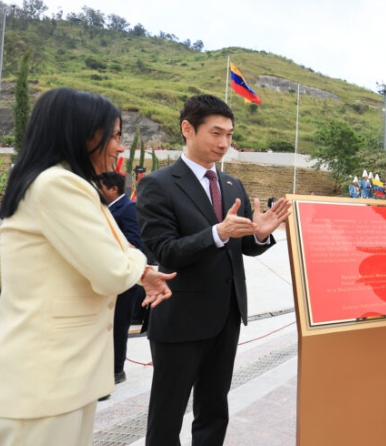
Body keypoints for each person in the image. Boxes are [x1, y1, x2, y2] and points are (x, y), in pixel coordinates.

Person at [0, 88, 174, 446]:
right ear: (83, 134)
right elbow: (112, 270)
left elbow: (105, 257)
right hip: (45, 381)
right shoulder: (58, 184)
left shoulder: (58, 182)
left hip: (63, 379)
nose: (120, 148)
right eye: (113, 136)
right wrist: (139, 259)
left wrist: (131, 264)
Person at [136, 94, 292, 446]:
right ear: (187, 129)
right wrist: (216, 233)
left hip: (227, 317)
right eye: (216, 133)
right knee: (167, 415)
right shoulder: (158, 185)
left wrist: (261, 234)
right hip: (181, 318)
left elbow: (241, 245)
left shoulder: (231, 184)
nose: (224, 143)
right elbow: (164, 251)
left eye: (230, 135)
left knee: (213, 410)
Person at [95, 170, 147, 387]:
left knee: (119, 324)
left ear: (113, 189)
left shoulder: (128, 208)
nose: (98, 191)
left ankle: (117, 370)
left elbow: (135, 241)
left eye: (101, 188)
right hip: (109, 276)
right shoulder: (107, 209)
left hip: (126, 279)